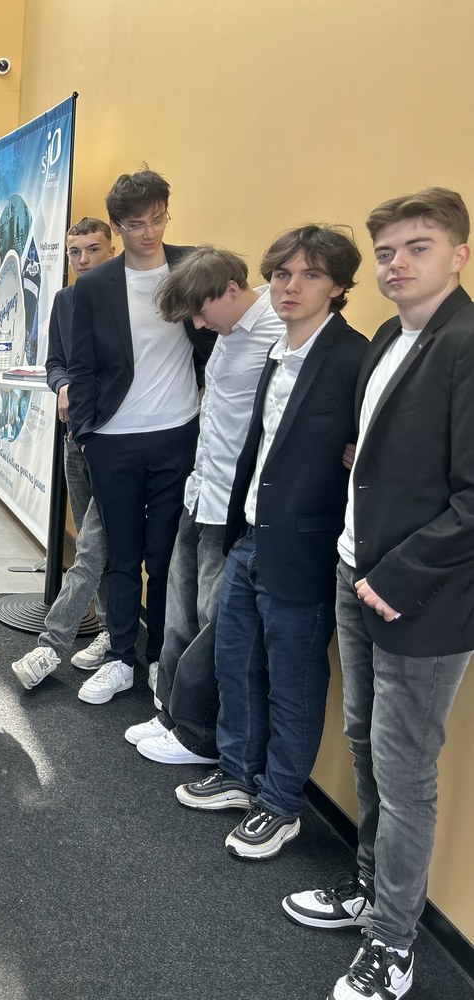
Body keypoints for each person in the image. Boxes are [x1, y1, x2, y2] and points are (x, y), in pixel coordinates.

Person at [281, 189, 474, 1000]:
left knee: (404, 777)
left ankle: (393, 944)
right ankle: (368, 890)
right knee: (362, 743)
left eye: (416, 247)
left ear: (459, 255)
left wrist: (394, 576)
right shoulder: (391, 337)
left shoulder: (465, 345)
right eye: (387, 251)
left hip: (417, 600)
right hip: (352, 570)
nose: (397, 264)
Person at [174, 226, 366, 862]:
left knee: (293, 682)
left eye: (310, 275)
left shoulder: (354, 359)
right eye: (282, 274)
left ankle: (281, 805)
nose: (290, 286)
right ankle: (236, 774)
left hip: (306, 549)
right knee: (234, 662)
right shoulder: (277, 351)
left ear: (337, 286)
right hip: (250, 534)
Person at [122, 246, 284, 764]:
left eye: (200, 312)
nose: (197, 324)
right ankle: (170, 712)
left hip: (234, 505)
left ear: (232, 289)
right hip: (201, 491)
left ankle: (199, 734)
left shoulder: (279, 331)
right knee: (178, 612)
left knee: (215, 622)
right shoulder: (229, 330)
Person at [66, 168, 215, 706]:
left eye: (158, 220)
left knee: (166, 556)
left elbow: (223, 337)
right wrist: (87, 433)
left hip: (178, 433)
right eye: (135, 224)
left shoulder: (193, 266)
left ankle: (159, 661)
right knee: (122, 557)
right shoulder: (95, 285)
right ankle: (120, 658)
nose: (149, 232)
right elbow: (82, 365)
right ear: (116, 227)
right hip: (113, 438)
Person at [11, 218, 116, 689]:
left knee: (92, 547)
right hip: (76, 437)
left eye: (93, 249)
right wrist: (63, 385)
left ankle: (53, 644)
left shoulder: (132, 300)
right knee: (99, 547)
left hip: (118, 443)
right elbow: (55, 361)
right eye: (75, 252)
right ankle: (113, 633)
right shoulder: (65, 300)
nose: (84, 259)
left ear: (111, 249)